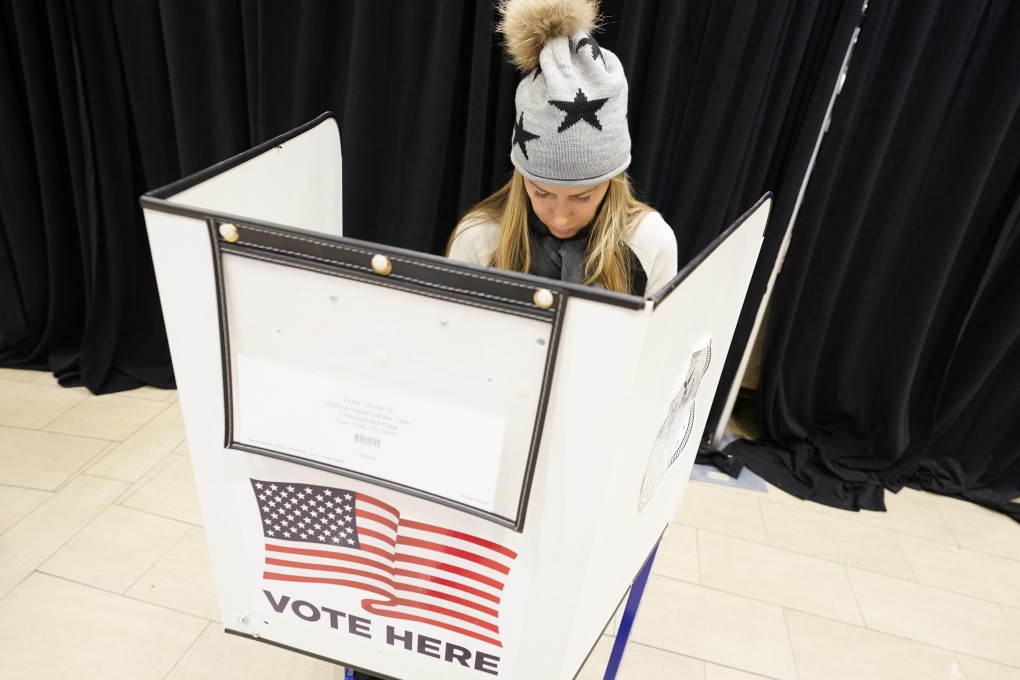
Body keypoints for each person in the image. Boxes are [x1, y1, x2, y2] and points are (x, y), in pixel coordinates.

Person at [447, 0, 678, 296]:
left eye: (582, 197)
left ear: (613, 180)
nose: (559, 217)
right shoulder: (479, 240)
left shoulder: (651, 242)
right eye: (541, 192)